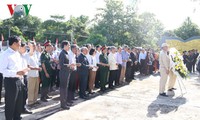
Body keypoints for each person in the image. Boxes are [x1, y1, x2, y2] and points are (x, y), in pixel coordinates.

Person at [0, 36, 28, 120]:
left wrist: (24, 70)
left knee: (19, 103)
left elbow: (18, 67)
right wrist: (16, 73)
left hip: (19, 80)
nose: (20, 45)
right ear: (15, 43)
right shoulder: (5, 54)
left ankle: (17, 117)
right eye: (19, 43)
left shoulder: (17, 53)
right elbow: (2, 70)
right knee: (10, 103)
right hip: (10, 81)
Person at [59, 41, 74, 109]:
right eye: (68, 45)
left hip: (67, 73)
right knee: (63, 89)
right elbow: (61, 65)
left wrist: (70, 66)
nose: (69, 47)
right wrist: (69, 65)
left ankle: (65, 102)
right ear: (65, 45)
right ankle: (63, 104)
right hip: (63, 73)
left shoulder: (66, 53)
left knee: (65, 89)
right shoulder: (62, 53)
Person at [19, 42, 32, 114]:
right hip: (19, 76)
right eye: (24, 47)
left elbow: (31, 53)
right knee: (20, 94)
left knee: (25, 93)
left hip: (25, 76)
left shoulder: (25, 55)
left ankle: (23, 108)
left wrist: (31, 47)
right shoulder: (16, 55)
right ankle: (19, 109)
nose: (25, 49)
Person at [27, 41, 41, 106]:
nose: (35, 47)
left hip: (36, 74)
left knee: (36, 89)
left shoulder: (35, 54)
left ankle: (35, 100)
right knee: (31, 89)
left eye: (35, 45)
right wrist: (37, 69)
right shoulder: (28, 55)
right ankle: (30, 102)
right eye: (33, 46)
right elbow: (28, 66)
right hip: (31, 75)